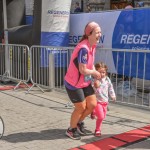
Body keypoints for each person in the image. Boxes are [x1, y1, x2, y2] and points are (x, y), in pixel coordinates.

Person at [64, 21, 102, 140]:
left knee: (92, 104)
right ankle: (71, 129)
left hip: (84, 82)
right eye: (97, 32)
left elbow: (89, 67)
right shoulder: (84, 49)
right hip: (74, 83)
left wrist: (95, 76)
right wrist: (95, 73)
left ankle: (79, 123)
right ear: (89, 34)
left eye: (100, 32)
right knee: (81, 107)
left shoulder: (92, 46)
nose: (100, 34)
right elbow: (83, 70)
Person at [91, 62, 116, 137]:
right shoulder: (94, 80)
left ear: (106, 72)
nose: (102, 74)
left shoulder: (107, 79)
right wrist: (95, 85)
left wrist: (113, 95)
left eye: (103, 72)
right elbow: (91, 89)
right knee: (101, 117)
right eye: (99, 72)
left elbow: (110, 88)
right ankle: (97, 129)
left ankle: (93, 112)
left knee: (103, 116)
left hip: (105, 101)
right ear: (96, 72)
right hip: (97, 101)